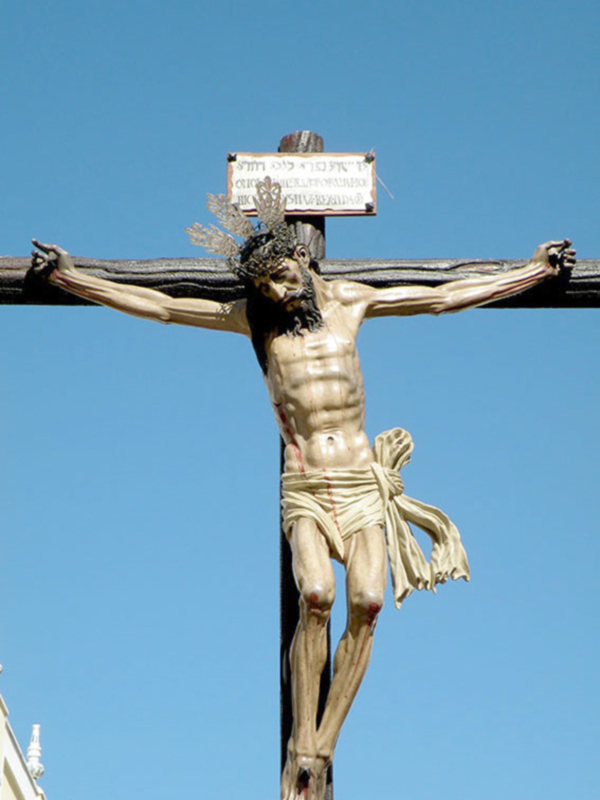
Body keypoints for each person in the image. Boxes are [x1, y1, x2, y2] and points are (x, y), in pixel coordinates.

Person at [31, 180, 575, 800]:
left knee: (368, 602)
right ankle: (301, 743)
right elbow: (160, 306)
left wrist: (533, 271)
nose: (279, 294)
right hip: (307, 484)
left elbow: (442, 297)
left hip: (360, 481)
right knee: (316, 594)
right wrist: (71, 278)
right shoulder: (255, 324)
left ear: (302, 260)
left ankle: (322, 742)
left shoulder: (350, 301)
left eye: (284, 279)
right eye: (265, 287)